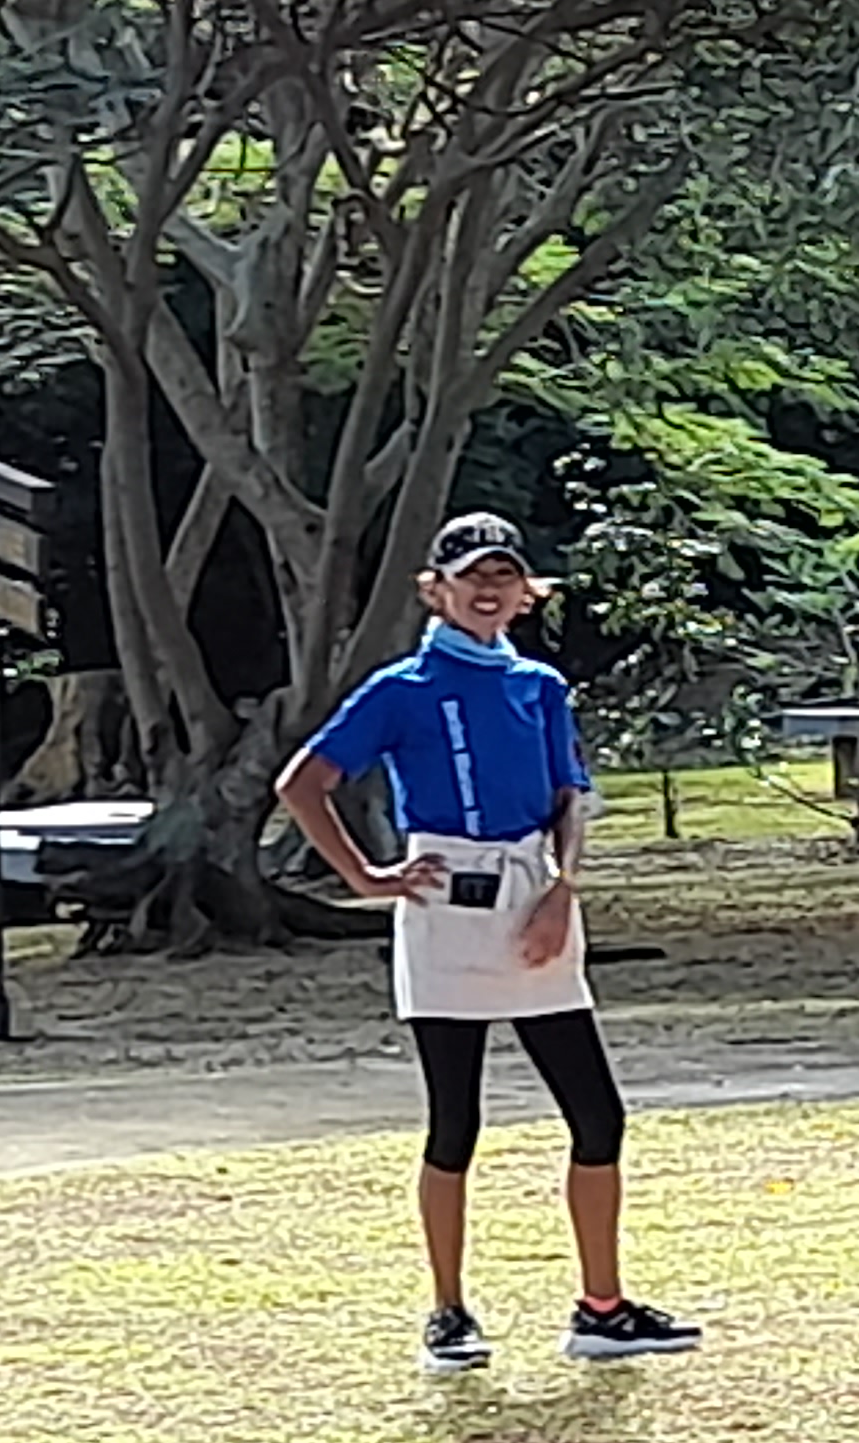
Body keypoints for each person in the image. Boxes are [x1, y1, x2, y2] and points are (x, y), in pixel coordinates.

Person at [276, 513, 699, 1375]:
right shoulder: (402, 687)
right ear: (436, 588)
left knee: (596, 1114)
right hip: (443, 901)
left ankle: (603, 1306)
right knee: (455, 1120)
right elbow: (304, 783)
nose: (490, 589)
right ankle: (447, 1309)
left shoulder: (538, 685)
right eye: (473, 576)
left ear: (525, 590)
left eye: (505, 576)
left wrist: (563, 888)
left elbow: (570, 795)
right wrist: (367, 876)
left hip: (531, 893)